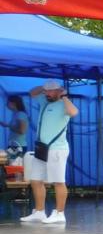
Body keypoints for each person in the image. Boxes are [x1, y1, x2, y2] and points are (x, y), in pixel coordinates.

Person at [19, 82, 77, 225]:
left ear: (58, 91)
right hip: (42, 148)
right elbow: (32, 93)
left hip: (57, 149)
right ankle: (39, 212)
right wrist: (43, 87)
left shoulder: (64, 104)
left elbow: (74, 112)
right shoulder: (44, 101)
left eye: (50, 91)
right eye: (46, 92)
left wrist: (64, 97)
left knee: (58, 181)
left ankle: (59, 213)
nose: (47, 94)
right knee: (35, 180)